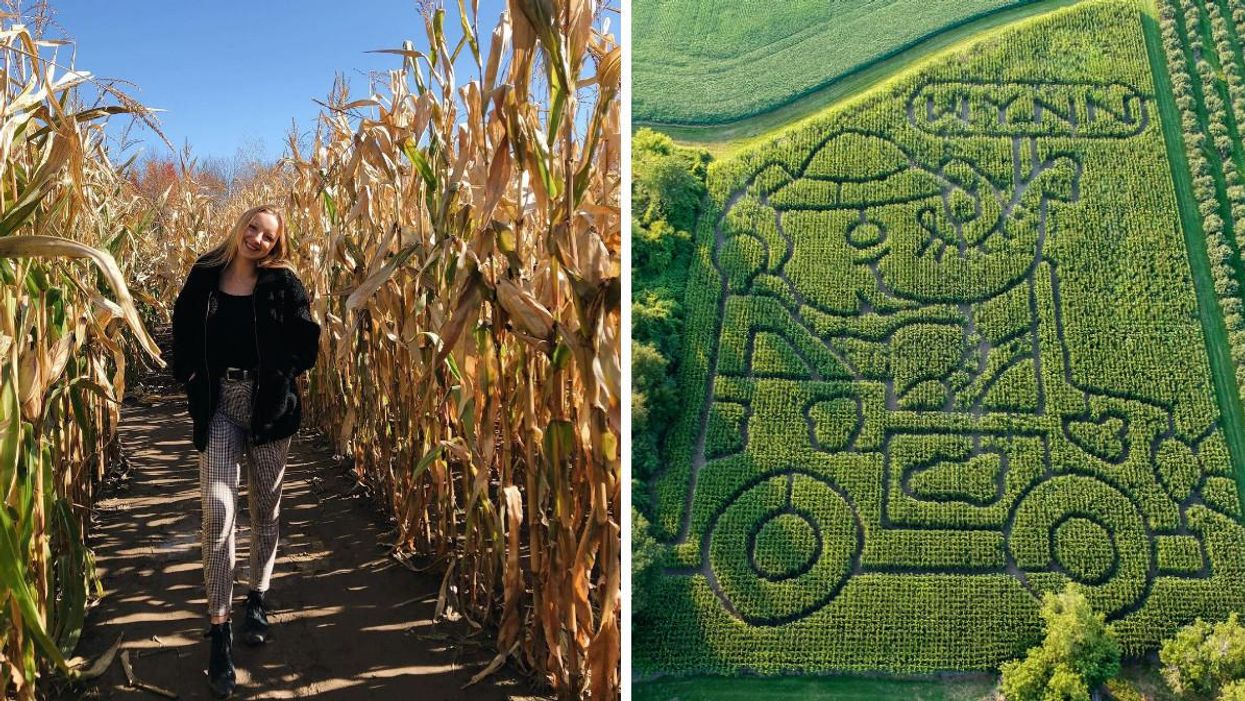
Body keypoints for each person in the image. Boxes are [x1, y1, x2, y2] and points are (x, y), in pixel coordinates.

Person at [170, 204, 321, 698]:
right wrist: (191, 377)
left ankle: (257, 595)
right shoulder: (205, 274)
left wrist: (283, 377)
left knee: (265, 508)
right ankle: (220, 628)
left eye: (268, 236)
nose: (257, 239)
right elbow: (183, 331)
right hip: (218, 406)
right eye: (252, 228)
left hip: (270, 410)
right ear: (239, 226)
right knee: (218, 508)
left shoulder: (283, 283)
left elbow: (308, 340)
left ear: (276, 245)